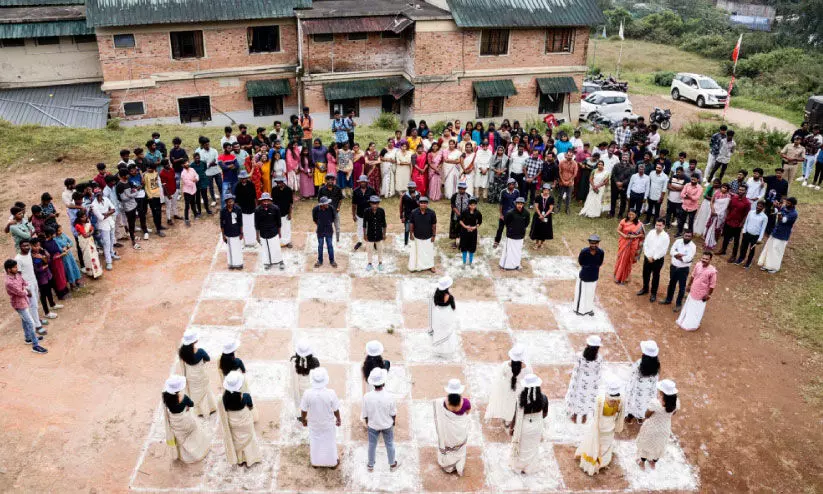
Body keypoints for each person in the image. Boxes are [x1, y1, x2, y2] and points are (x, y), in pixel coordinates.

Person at [575, 377, 626, 475]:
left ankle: (593, 463)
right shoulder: (621, 399)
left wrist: (595, 429)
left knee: (595, 444)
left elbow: (596, 417)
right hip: (610, 427)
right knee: (605, 445)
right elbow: (620, 415)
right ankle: (602, 462)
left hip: (600, 427)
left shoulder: (600, 400)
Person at [162, 375, 211, 463]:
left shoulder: (165, 397)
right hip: (185, 421)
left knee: (181, 437)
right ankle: (197, 452)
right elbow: (191, 404)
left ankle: (184, 455)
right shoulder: (184, 398)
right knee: (193, 432)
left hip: (174, 422)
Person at [218, 371, 262, 467]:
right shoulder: (245, 396)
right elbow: (250, 406)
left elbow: (225, 410)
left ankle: (240, 459)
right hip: (245, 422)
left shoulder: (224, 398)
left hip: (233, 423)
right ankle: (250, 459)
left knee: (237, 440)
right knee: (249, 440)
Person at [300, 367, 342, 468]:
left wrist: (304, 420)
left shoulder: (307, 393)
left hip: (314, 423)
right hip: (327, 423)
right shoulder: (331, 393)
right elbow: (336, 409)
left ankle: (316, 462)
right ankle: (332, 463)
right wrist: (338, 419)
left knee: (315, 442)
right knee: (329, 443)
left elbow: (303, 410)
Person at [5, 259, 48, 353]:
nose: (17, 268)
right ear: (9, 270)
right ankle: (35, 345)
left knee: (25, 321)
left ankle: (28, 338)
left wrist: (25, 289)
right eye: (15, 267)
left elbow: (24, 283)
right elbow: (19, 292)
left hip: (24, 301)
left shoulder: (17, 274)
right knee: (31, 323)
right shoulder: (9, 282)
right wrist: (26, 291)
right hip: (18, 304)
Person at [509, 374, 549, 474]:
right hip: (537, 427)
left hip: (523, 427)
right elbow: (545, 414)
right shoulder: (544, 398)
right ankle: (528, 468)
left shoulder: (520, 399)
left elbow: (515, 416)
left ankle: (519, 467)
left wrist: (511, 428)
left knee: (522, 448)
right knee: (532, 447)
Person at [636, 379, 679, 470]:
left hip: (652, 428)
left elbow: (647, 415)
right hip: (664, 428)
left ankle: (642, 462)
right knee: (659, 446)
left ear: (662, 392)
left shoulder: (656, 403)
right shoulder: (676, 403)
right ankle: (653, 463)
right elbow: (673, 413)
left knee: (646, 445)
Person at [362, 368, 399, 472]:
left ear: (373, 384)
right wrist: (393, 422)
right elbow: (393, 413)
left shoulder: (367, 397)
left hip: (373, 425)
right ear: (383, 382)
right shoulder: (390, 396)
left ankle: (370, 465)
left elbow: (365, 414)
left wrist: (368, 423)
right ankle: (392, 464)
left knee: (372, 445)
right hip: (387, 425)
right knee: (389, 443)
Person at [485, 344, 532, 427]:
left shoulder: (505, 365)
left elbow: (499, 377)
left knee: (506, 404)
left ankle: (506, 419)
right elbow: (529, 381)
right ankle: (512, 420)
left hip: (507, 388)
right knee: (515, 405)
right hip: (520, 390)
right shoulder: (527, 369)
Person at [433, 378, 471, 476]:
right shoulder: (466, 402)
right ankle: (459, 464)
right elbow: (467, 413)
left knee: (449, 448)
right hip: (460, 430)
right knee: (459, 449)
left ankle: (449, 467)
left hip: (449, 432)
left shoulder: (444, 402)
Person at [176, 330, 217, 416]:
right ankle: (210, 408)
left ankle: (199, 411)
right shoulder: (200, 351)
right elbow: (207, 359)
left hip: (190, 375)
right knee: (206, 391)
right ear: (195, 341)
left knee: (194, 392)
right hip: (200, 374)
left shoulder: (182, 352)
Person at [14, 240, 50, 333]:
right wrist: (25, 288)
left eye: (27, 245)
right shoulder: (18, 259)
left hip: (34, 281)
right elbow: (18, 275)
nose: (26, 247)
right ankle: (37, 326)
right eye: (24, 246)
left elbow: (38, 250)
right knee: (33, 305)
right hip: (27, 284)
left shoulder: (29, 254)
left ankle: (36, 319)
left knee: (36, 302)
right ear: (19, 247)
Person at [565, 335, 602, 424]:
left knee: (578, 397)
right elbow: (598, 372)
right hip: (591, 382)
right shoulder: (599, 358)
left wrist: (573, 383)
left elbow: (576, 370)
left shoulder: (580, 356)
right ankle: (584, 417)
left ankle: (575, 416)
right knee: (588, 398)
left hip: (581, 381)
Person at [676, 251, 717, 330]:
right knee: (689, 307)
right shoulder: (698, 265)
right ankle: (684, 321)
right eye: (703, 258)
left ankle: (692, 325)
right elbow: (693, 275)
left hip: (702, 295)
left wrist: (708, 295)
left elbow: (712, 285)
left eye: (706, 259)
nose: (704, 260)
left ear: (710, 260)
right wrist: (689, 285)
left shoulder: (712, 271)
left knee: (696, 311)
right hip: (693, 290)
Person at [758, 197, 798, 273]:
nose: (786, 204)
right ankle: (766, 265)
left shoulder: (794, 214)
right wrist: (775, 207)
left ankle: (774, 268)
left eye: (788, 203)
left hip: (782, 235)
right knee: (769, 248)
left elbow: (782, 220)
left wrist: (779, 211)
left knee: (777, 251)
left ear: (793, 205)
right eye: (786, 202)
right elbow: (774, 212)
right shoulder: (784, 208)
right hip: (775, 232)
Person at [660, 231, 697, 311]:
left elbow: (688, 259)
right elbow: (671, 252)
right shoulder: (678, 241)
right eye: (686, 235)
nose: (687, 237)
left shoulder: (693, 246)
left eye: (689, 236)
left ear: (691, 237)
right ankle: (668, 300)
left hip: (683, 269)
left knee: (681, 287)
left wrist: (676, 255)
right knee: (671, 283)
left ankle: (678, 304)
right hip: (673, 267)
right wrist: (680, 255)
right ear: (683, 235)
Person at [638, 219, 669, 302]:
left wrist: (654, 257)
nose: (658, 227)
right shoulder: (651, 232)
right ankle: (645, 289)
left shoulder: (665, 236)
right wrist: (648, 256)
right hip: (647, 257)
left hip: (658, 260)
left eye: (660, 225)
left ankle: (653, 293)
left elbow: (663, 250)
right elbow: (646, 244)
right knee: (645, 274)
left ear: (663, 226)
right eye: (656, 225)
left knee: (655, 276)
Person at [717, 184, 750, 261]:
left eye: (742, 190)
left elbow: (746, 215)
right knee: (726, 237)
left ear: (745, 191)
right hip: (729, 221)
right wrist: (727, 217)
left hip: (737, 224)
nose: (741, 191)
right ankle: (723, 250)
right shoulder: (733, 198)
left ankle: (733, 256)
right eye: (740, 189)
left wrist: (741, 224)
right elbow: (728, 208)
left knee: (736, 241)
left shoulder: (747, 203)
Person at [252, 192, 283, 270]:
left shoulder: (276, 208)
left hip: (274, 232)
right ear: (261, 201)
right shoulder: (257, 210)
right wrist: (257, 236)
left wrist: (279, 232)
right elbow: (256, 224)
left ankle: (280, 261)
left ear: (270, 201)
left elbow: (279, 222)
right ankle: (267, 262)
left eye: (267, 201)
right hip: (263, 233)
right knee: (265, 249)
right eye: (264, 201)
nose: (265, 203)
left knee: (275, 247)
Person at [574, 234, 604, 316]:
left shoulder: (601, 252)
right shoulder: (584, 251)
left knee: (590, 294)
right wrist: (587, 268)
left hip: (594, 276)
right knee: (582, 294)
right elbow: (580, 262)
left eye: (595, 243)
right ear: (589, 243)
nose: (593, 245)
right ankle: (579, 310)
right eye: (592, 243)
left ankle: (589, 309)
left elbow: (600, 262)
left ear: (598, 243)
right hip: (584, 276)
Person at [614, 210, 645, 285]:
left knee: (628, 260)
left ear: (636, 215)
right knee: (622, 258)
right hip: (624, 242)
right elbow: (618, 230)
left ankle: (624, 277)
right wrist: (624, 235)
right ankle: (618, 276)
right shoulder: (624, 221)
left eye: (633, 215)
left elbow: (642, 235)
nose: (631, 216)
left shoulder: (639, 224)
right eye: (629, 214)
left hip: (633, 243)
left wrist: (634, 236)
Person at [290, 340, 320, 417]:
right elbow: (316, 379)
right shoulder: (315, 362)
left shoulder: (293, 362)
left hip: (300, 390)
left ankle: (301, 416)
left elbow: (294, 382)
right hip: (311, 389)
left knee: (302, 405)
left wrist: (296, 399)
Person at [499, 197, 530, 270]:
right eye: (518, 203)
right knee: (509, 251)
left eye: (521, 204)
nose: (519, 205)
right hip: (511, 235)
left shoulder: (526, 213)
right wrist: (512, 229)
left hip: (520, 235)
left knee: (518, 250)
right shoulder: (510, 213)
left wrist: (521, 229)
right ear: (516, 204)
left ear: (523, 204)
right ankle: (505, 265)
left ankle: (516, 264)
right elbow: (506, 222)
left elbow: (527, 223)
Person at [408, 197, 437, 273]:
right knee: (418, 253)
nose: (423, 204)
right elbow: (411, 224)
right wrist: (411, 234)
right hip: (417, 237)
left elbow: (434, 225)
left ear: (427, 204)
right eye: (421, 203)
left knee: (429, 252)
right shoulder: (414, 212)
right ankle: (417, 266)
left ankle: (431, 265)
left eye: (425, 203)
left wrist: (434, 235)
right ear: (419, 203)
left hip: (428, 237)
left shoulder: (432, 213)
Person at [430, 276, 458, 356]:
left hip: (438, 313)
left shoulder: (436, 293)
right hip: (446, 313)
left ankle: (438, 348)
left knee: (439, 331)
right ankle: (445, 350)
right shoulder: (449, 297)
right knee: (446, 331)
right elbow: (453, 307)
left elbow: (435, 303)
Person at [736, 200, 768, 268]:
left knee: (751, 249)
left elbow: (763, 229)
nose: (758, 207)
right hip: (747, 233)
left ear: (763, 207)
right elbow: (746, 222)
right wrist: (744, 231)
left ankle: (749, 262)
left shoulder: (764, 217)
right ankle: (741, 258)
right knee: (743, 247)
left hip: (755, 236)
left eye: (760, 206)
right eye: (758, 205)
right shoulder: (751, 212)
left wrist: (759, 239)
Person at [233, 170, 258, 248]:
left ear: (247, 178)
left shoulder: (251, 185)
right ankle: (245, 241)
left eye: (245, 178)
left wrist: (256, 207)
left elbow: (255, 197)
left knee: (252, 225)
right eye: (242, 178)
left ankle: (253, 241)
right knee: (244, 226)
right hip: (242, 210)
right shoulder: (237, 186)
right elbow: (236, 200)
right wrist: (237, 210)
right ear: (240, 178)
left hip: (251, 208)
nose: (243, 179)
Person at [352, 176, 377, 251]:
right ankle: (360, 241)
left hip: (370, 213)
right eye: (361, 182)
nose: (362, 183)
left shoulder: (372, 190)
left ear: (367, 182)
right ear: (359, 182)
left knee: (371, 227)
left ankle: (373, 241)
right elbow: (353, 204)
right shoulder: (356, 191)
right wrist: (353, 215)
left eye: (364, 182)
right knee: (360, 228)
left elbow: (375, 202)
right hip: (359, 213)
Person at [362, 196, 387, 272]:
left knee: (380, 249)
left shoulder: (381, 211)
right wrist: (365, 234)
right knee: (369, 250)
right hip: (370, 234)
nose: (374, 206)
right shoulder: (366, 211)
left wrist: (384, 234)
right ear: (370, 204)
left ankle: (380, 263)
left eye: (376, 204)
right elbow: (364, 224)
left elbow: (384, 224)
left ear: (378, 204)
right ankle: (369, 263)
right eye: (373, 204)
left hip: (379, 234)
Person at [220, 194, 244, 270]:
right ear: (226, 202)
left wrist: (241, 232)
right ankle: (231, 264)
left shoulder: (238, 209)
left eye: (231, 202)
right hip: (228, 233)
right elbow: (222, 224)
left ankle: (239, 264)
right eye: (228, 202)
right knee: (230, 249)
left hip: (236, 232)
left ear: (233, 201)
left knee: (237, 248)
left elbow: (240, 222)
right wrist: (223, 235)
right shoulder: (223, 211)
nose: (230, 203)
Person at [494, 178, 520, 247]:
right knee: (500, 229)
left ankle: (510, 242)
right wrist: (501, 215)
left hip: (513, 214)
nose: (511, 186)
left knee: (511, 229)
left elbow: (518, 204)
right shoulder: (503, 192)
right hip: (504, 214)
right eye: (510, 184)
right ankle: (497, 241)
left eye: (513, 184)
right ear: (507, 185)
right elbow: (501, 204)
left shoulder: (517, 192)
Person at [312, 197, 336, 268]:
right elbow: (314, 219)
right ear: (321, 204)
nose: (328, 204)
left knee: (330, 245)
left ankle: (332, 261)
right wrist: (320, 224)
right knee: (320, 246)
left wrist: (328, 223)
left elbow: (333, 218)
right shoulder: (316, 209)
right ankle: (320, 261)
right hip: (320, 230)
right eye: (326, 203)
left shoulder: (331, 208)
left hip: (329, 229)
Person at [458, 198, 482, 265]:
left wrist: (475, 227)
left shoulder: (478, 213)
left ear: (476, 205)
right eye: (471, 205)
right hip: (464, 232)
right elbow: (460, 220)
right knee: (464, 247)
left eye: (474, 205)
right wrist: (465, 227)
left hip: (473, 233)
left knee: (472, 247)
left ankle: (470, 262)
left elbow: (479, 222)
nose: (472, 207)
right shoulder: (465, 211)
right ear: (468, 205)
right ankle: (464, 262)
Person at [271, 177, 294, 248]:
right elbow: (272, 202)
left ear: (283, 182)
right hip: (276, 213)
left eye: (280, 182)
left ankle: (287, 241)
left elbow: (290, 203)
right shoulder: (274, 190)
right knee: (277, 227)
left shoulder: (289, 190)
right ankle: (278, 242)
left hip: (286, 212)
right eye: (277, 182)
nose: (278, 184)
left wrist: (290, 213)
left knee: (286, 227)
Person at [529, 183, 554, 248]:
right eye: (545, 190)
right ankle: (537, 243)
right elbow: (536, 207)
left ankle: (542, 243)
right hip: (538, 215)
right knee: (537, 228)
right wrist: (540, 214)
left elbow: (550, 209)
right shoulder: (538, 197)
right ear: (542, 190)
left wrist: (544, 215)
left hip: (547, 216)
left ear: (549, 191)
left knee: (544, 229)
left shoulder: (551, 198)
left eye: (547, 190)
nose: (546, 192)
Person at [449, 183, 472, 249]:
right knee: (456, 228)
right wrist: (459, 214)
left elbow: (470, 206)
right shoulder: (454, 196)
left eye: (464, 189)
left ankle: (464, 242)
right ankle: (456, 242)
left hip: (466, 216)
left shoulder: (468, 196)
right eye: (461, 189)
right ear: (458, 188)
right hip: (456, 216)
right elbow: (453, 205)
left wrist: (465, 215)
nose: (462, 190)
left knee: (465, 228)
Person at [399, 182, 420, 247]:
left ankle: (417, 242)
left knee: (417, 229)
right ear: (408, 188)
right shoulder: (404, 195)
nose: (412, 189)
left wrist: (415, 199)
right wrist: (401, 216)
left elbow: (420, 205)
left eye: (413, 187)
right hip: (407, 215)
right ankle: (406, 243)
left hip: (416, 215)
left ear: (415, 188)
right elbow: (401, 206)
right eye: (410, 188)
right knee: (407, 229)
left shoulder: (418, 194)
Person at [179, 160, 199, 226]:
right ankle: (187, 219)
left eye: (187, 162)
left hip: (193, 190)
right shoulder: (183, 173)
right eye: (185, 163)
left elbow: (197, 175)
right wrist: (193, 181)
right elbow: (187, 182)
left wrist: (196, 179)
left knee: (193, 203)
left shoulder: (192, 169)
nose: (187, 163)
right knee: (187, 205)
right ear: (182, 165)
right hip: (187, 191)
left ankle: (195, 215)